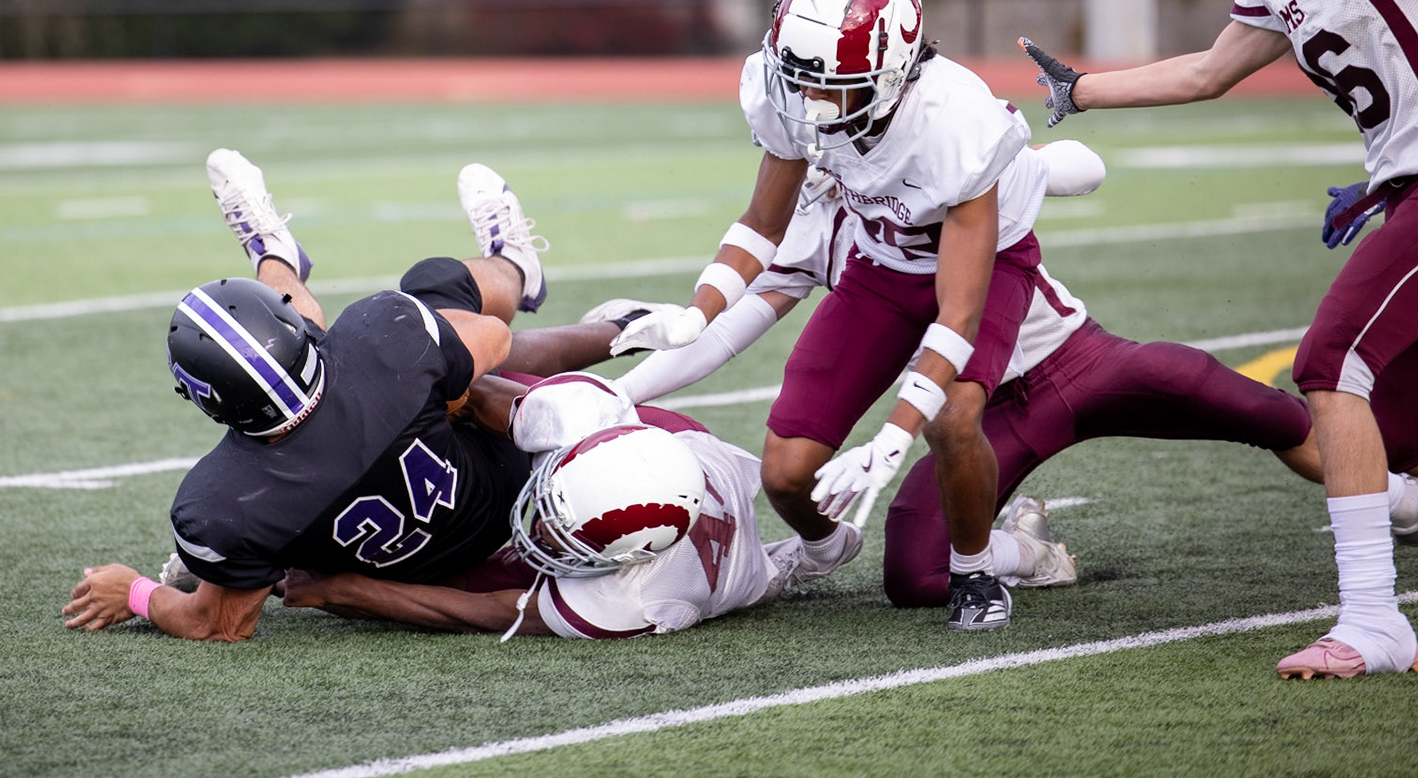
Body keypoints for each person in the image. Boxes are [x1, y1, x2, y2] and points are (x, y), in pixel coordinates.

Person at [594, 145, 1388, 607]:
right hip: (970, 417)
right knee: (913, 574)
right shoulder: (814, 216)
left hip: (1072, 359)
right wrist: (625, 388)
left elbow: (1077, 166)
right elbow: (735, 323)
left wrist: (1031, 164)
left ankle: (1396, 497)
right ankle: (1024, 551)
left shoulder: (934, 156)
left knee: (1241, 401)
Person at [1021, 0, 1418, 679]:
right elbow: (1208, 69)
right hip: (1403, 187)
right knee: (1392, 424)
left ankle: (1373, 619)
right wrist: (1083, 90)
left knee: (1331, 365)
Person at [611, 0, 1049, 632]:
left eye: (833, 86)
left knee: (952, 416)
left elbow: (958, 312)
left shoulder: (954, 121)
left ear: (894, 70)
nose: (810, 102)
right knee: (787, 473)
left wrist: (893, 435)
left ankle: (975, 567)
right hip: (880, 260)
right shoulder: (799, 92)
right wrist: (695, 312)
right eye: (800, 80)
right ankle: (827, 546)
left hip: (982, 267)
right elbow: (762, 224)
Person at [62, 150, 548, 641]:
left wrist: (134, 592)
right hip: (505, 492)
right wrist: (438, 397)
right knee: (435, 284)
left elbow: (219, 624)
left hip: (402, 578)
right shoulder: (384, 334)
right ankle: (515, 265)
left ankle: (274, 253)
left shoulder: (220, 502)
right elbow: (496, 338)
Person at [280, 388, 791, 639]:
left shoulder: (632, 599)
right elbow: (474, 389)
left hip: (703, 561)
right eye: (551, 509)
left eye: (561, 529)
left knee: (450, 579)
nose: (541, 529)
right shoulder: (601, 420)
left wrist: (339, 589)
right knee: (483, 378)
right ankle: (514, 270)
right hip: (676, 442)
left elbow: (490, 612)